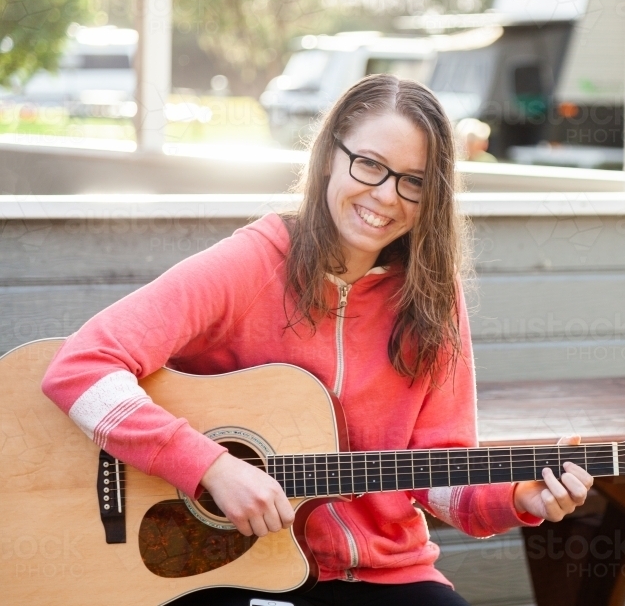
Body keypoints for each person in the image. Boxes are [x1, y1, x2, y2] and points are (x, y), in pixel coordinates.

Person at [40, 74, 593, 606]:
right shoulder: (252, 263)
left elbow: (439, 471)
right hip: (234, 568)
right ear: (330, 153)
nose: (385, 196)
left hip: (386, 575)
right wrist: (211, 467)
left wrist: (521, 498)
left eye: (414, 180)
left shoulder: (431, 295)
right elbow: (81, 368)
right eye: (370, 164)